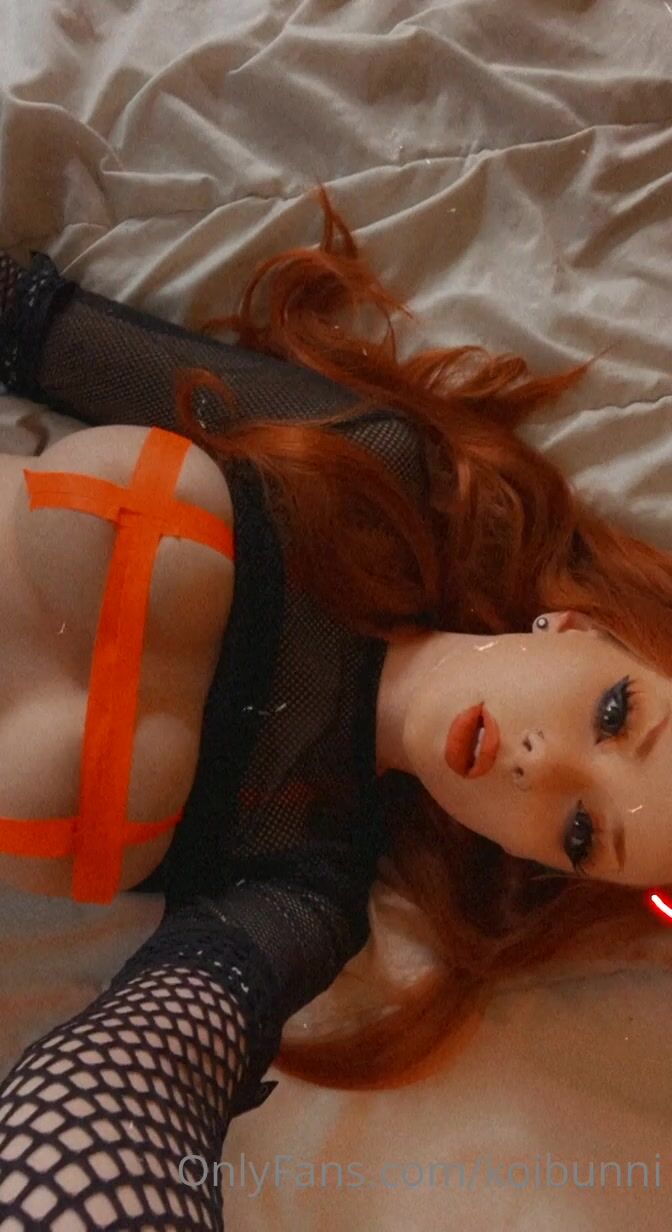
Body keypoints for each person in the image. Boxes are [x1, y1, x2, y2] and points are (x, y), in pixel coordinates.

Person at [0, 186, 669, 1227]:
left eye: (579, 831)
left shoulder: (306, 879)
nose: (544, 764)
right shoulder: (366, 467)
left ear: (534, 859)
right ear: (578, 628)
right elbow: (36, 328)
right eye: (617, 715)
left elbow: (145, 1071)